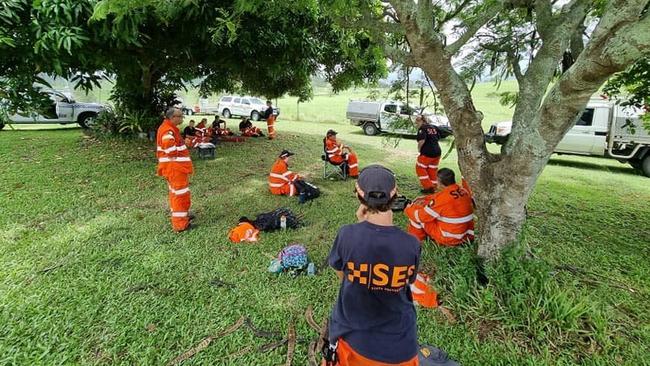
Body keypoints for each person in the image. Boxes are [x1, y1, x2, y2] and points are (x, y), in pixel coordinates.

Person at [325, 164, 421, 366]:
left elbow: (341, 272)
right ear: (395, 196)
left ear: (360, 198)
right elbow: (406, 282)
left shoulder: (347, 234)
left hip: (355, 343)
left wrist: (361, 225)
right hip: (402, 347)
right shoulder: (411, 244)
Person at [404, 168, 474, 245]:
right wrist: (425, 198)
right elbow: (443, 196)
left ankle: (415, 241)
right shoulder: (463, 191)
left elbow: (421, 216)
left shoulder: (443, 199)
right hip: (466, 236)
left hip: (450, 238)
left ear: (439, 182)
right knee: (425, 210)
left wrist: (408, 208)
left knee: (415, 212)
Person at [156, 107, 194, 232]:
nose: (182, 118)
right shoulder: (168, 130)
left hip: (173, 168)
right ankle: (180, 224)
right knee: (180, 195)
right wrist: (184, 147)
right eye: (180, 116)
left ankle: (181, 216)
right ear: (173, 118)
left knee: (175, 193)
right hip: (175, 168)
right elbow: (170, 151)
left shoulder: (168, 128)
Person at [415, 115, 442, 193]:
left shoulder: (422, 128)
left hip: (427, 153)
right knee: (432, 170)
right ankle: (434, 187)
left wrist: (419, 150)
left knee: (420, 168)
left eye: (417, 122)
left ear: (421, 121)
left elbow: (421, 141)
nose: (417, 124)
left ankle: (428, 187)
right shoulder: (433, 127)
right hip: (437, 152)